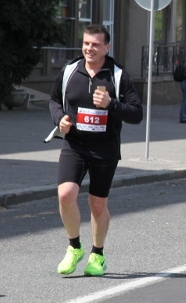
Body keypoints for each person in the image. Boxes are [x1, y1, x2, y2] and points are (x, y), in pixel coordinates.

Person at [48, 24, 143, 276]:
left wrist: (112, 104)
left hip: (105, 149)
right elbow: (54, 100)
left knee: (97, 205)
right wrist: (59, 119)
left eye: (95, 44)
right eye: (86, 43)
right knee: (65, 194)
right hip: (74, 145)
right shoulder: (70, 70)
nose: (89, 48)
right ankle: (74, 247)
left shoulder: (118, 75)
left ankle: (98, 254)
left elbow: (137, 114)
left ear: (106, 47)